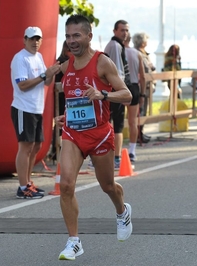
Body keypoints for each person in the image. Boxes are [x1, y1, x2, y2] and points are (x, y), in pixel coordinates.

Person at [55, 14, 133, 260]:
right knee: (66, 185)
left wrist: (103, 95)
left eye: (76, 35)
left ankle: (122, 211)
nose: (72, 41)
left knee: (107, 186)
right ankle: (74, 241)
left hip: (99, 135)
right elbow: (73, 101)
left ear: (89, 36)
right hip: (73, 134)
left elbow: (127, 94)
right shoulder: (66, 66)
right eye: (68, 36)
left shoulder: (102, 63)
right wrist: (65, 117)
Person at [10, 26, 60, 199]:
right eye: (31, 39)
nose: (35, 42)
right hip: (23, 108)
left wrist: (52, 73)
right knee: (25, 146)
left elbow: (46, 82)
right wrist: (45, 75)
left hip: (37, 108)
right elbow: (22, 85)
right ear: (24, 39)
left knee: (36, 146)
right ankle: (22, 186)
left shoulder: (38, 57)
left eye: (38, 39)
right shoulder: (20, 58)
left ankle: (28, 182)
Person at [104, 19, 131, 169]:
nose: (125, 33)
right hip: (114, 89)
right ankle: (115, 158)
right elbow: (118, 72)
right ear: (115, 31)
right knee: (116, 125)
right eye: (122, 30)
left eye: (127, 30)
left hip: (112, 89)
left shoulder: (117, 45)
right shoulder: (114, 46)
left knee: (112, 123)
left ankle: (110, 156)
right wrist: (123, 92)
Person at [123, 32, 146, 161]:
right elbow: (142, 76)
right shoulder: (137, 54)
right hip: (133, 87)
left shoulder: (117, 51)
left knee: (117, 121)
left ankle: (115, 151)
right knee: (133, 121)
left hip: (120, 85)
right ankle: (132, 151)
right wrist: (142, 94)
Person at [48, 41, 72, 161]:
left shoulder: (70, 62)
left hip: (67, 98)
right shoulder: (62, 62)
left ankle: (60, 151)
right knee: (61, 124)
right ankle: (57, 151)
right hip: (61, 98)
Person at [133, 32, 155, 143]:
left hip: (145, 85)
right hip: (142, 86)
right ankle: (138, 135)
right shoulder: (139, 53)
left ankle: (140, 133)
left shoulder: (142, 53)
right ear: (142, 42)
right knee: (141, 111)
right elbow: (145, 69)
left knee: (142, 111)